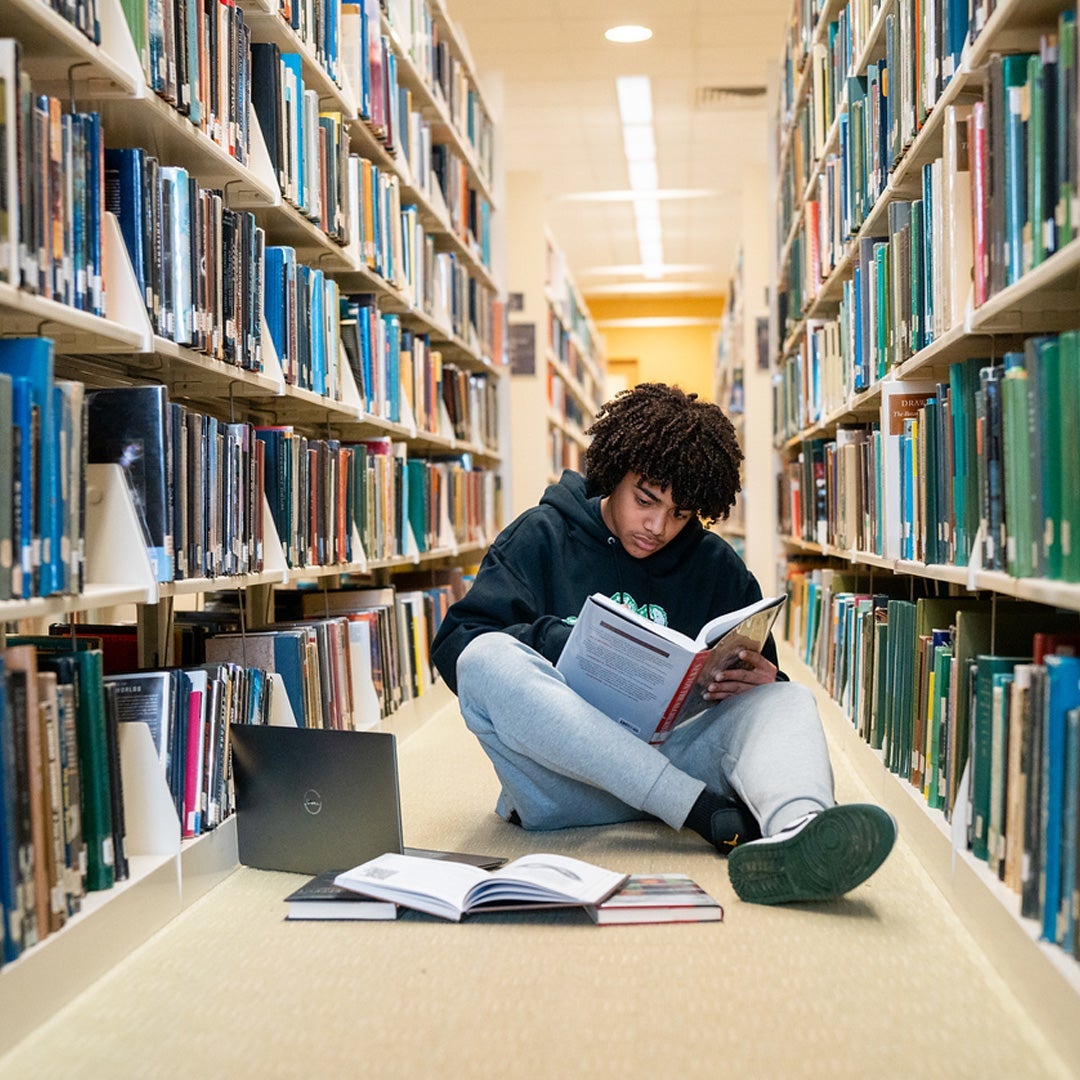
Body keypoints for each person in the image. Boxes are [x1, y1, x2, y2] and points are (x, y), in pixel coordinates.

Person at [431, 383, 896, 904]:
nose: (657, 527)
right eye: (645, 500)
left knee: (788, 698)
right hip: (563, 782)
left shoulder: (715, 563)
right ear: (613, 475)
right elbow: (456, 645)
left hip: (674, 754)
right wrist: (563, 641)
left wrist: (759, 678)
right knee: (485, 657)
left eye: (680, 514)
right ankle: (703, 815)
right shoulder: (542, 535)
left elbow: (759, 686)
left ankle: (800, 833)